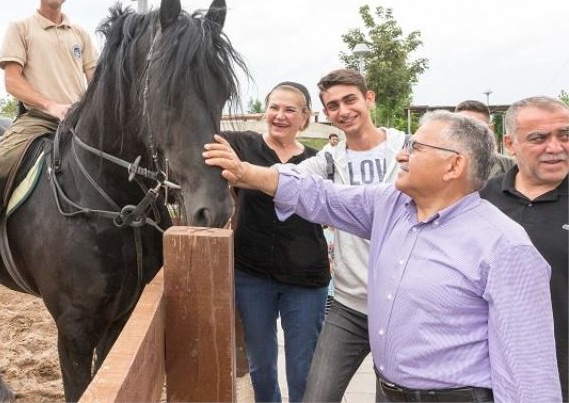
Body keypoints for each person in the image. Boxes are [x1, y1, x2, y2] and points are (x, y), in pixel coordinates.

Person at [204, 110, 561, 402]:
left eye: (415, 147)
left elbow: (528, 374)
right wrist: (246, 172)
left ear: (454, 167)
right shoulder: (391, 204)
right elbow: (323, 196)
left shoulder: (504, 247)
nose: (401, 155)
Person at [0, 0, 97, 282]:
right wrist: (51, 105)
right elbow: (13, 82)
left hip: (78, 121)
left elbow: (96, 79)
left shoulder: (81, 35)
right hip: (38, 119)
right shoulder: (21, 28)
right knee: (1, 160)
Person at [279, 68, 406, 403]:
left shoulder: (408, 149)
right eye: (333, 105)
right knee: (317, 396)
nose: (343, 110)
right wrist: (241, 170)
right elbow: (285, 178)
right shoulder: (330, 160)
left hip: (402, 308)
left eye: (350, 99)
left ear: (369, 98)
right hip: (350, 306)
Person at [223, 81, 329, 402]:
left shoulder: (319, 161)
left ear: (305, 118)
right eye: (274, 107)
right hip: (252, 275)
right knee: (261, 367)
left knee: (303, 369)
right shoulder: (241, 145)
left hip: (306, 279)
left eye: (289, 110)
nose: (280, 116)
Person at [480, 96, 569, 400]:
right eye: (539, 138)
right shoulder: (480, 201)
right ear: (510, 143)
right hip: (493, 379)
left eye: (565, 135)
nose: (555, 147)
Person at [455, 99, 515, 177]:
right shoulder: (440, 165)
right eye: (462, 126)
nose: (469, 132)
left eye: (476, 127)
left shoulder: (510, 167)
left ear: (490, 129)